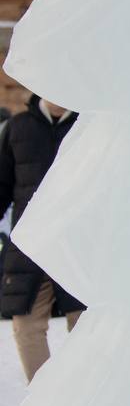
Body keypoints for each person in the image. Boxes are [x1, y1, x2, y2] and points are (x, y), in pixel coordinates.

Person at [0, 94, 86, 383]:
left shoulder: (87, 126)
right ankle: (43, 396)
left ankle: (86, 394)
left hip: (78, 246)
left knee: (85, 323)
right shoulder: (19, 127)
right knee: (26, 325)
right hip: (30, 247)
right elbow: (2, 185)